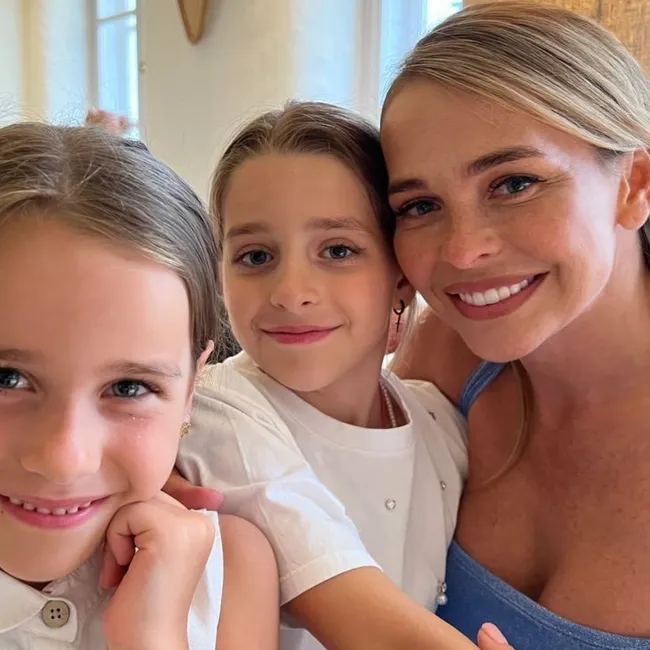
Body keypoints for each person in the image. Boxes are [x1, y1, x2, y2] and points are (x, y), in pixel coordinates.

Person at [174, 101, 512, 650]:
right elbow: (362, 617)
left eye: (337, 250)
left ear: (401, 276)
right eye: (255, 257)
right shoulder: (212, 412)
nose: (291, 293)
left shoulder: (440, 424)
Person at [380, 2, 650, 648]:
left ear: (634, 184)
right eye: (420, 205)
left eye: (514, 184)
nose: (462, 251)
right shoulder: (448, 354)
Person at [0, 122, 279, 649]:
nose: (64, 459)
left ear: (191, 391)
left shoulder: (228, 572)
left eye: (129, 388)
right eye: (7, 378)